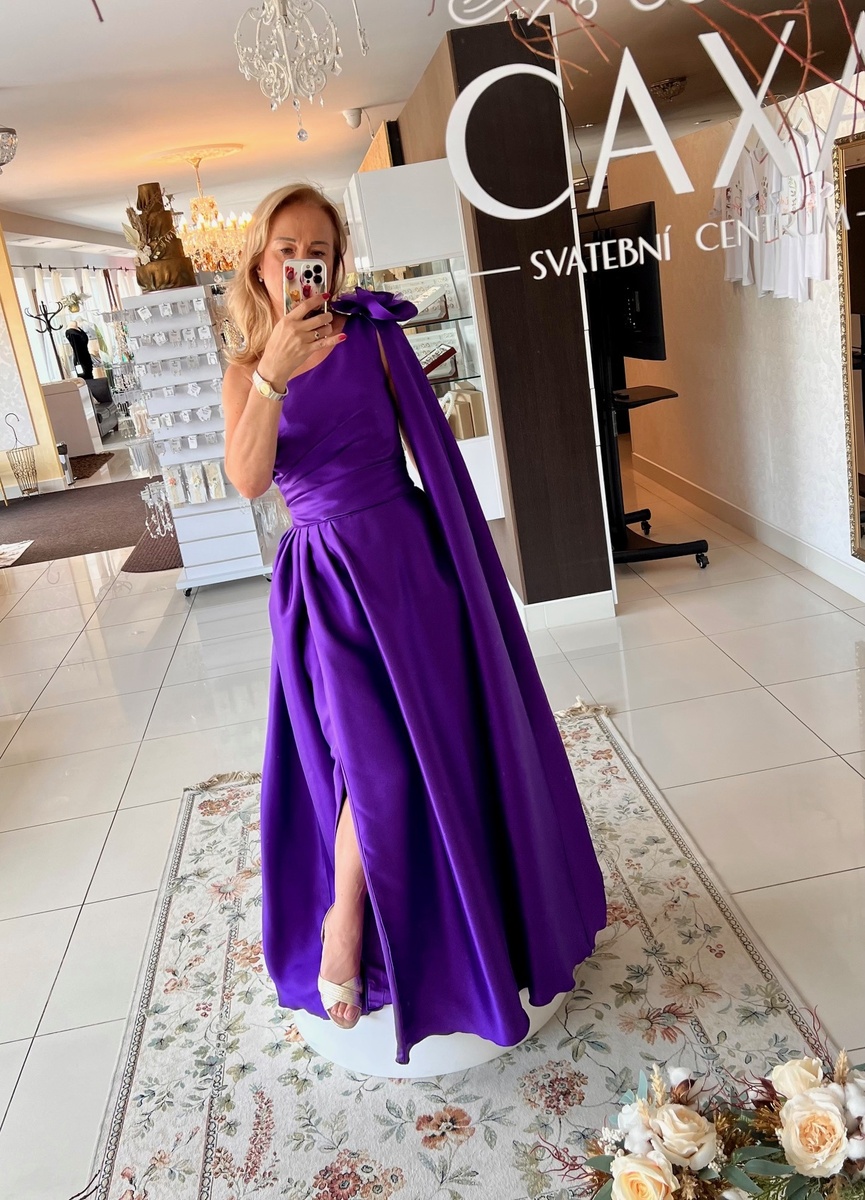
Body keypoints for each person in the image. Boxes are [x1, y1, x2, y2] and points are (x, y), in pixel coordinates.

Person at [223, 183, 606, 1066]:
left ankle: (372, 923)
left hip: (404, 565)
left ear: (337, 260)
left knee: (425, 745)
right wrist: (274, 369)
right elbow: (249, 479)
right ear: (259, 263)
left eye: (319, 249)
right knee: (367, 754)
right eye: (287, 249)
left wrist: (468, 573)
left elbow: (429, 450)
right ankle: (345, 923)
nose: (304, 263)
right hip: (323, 582)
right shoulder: (245, 370)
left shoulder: (371, 337)